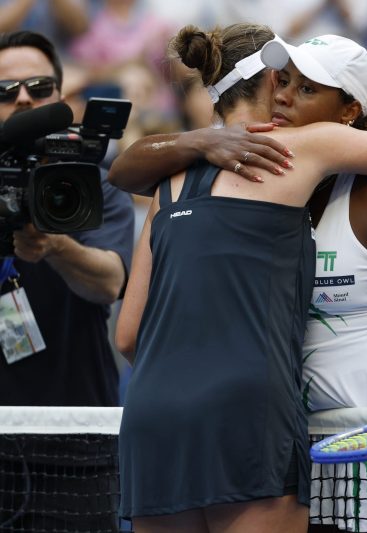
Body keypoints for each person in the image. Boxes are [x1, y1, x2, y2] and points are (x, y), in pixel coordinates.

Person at [110, 30, 367, 533]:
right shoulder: (244, 183)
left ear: (349, 111)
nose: (284, 96)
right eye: (283, 81)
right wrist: (199, 140)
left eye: (307, 89)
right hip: (295, 437)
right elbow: (126, 172)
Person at [0, 30, 134, 530]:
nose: (23, 99)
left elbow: (109, 283)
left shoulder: (93, 179)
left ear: (60, 96)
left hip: (77, 442)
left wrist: (55, 245)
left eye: (38, 88)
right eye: (5, 90)